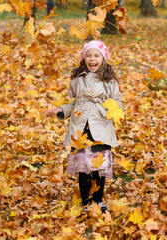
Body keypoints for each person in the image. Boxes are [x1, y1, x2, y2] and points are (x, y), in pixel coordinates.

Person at [46, 40, 123, 213]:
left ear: (103, 58)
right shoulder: (77, 80)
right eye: (89, 55)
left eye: (96, 55)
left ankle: (98, 200)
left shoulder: (109, 81)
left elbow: (117, 103)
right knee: (83, 167)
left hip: (101, 129)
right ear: (84, 58)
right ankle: (86, 202)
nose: (92, 59)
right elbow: (71, 104)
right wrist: (60, 110)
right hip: (81, 129)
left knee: (99, 166)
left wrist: (107, 106)